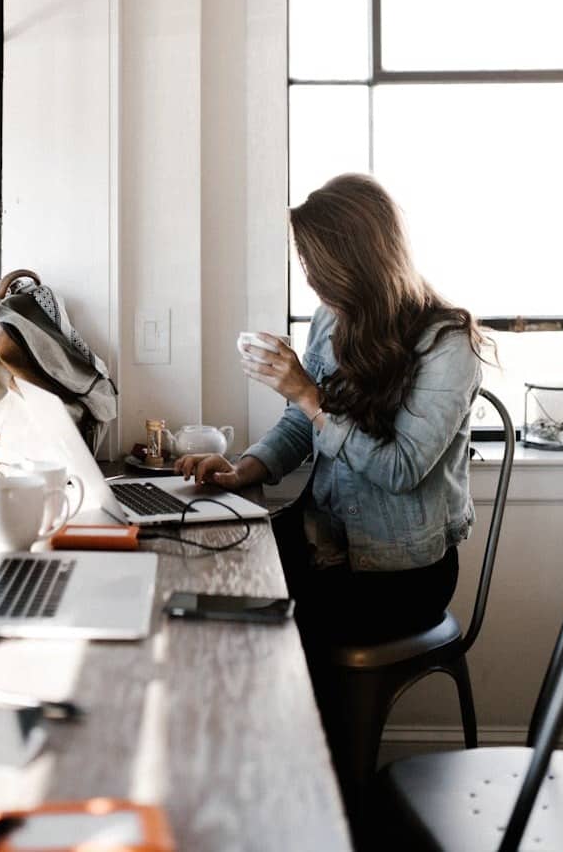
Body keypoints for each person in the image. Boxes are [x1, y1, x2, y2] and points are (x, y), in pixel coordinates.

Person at [175, 172, 488, 805]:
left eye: (318, 266)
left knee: (277, 629)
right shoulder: (331, 320)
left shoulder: (447, 344)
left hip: (402, 571)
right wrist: (245, 471)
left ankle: (312, 798)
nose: (312, 281)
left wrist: (310, 396)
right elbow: (299, 424)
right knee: (202, 590)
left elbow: (400, 469)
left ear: (358, 261)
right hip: (325, 538)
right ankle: (229, 778)